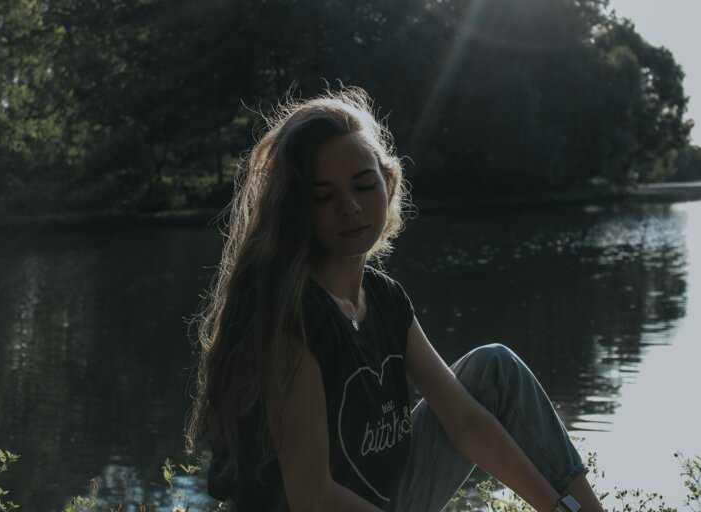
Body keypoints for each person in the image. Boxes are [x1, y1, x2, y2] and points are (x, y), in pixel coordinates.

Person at [184, 85, 607, 512]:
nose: (349, 207)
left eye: (363, 185)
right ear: (298, 208)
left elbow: (463, 419)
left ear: (388, 182)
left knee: (495, 369)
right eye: (324, 195)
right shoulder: (293, 319)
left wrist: (557, 508)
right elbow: (312, 496)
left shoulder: (384, 299)